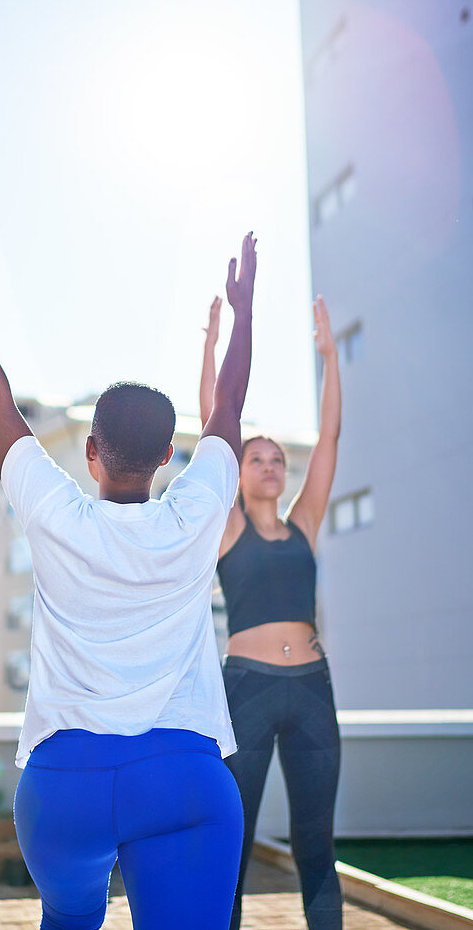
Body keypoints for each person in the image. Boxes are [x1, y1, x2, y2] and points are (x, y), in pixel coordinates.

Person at [0, 210, 256, 930]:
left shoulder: (57, 516)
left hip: (63, 787)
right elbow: (229, 407)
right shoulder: (193, 513)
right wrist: (244, 309)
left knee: (68, 921)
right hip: (184, 781)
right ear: (170, 457)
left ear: (91, 454)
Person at [200, 293, 343, 930]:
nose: (268, 464)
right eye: (255, 457)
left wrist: (331, 357)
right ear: (238, 473)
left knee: (316, 848)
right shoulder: (229, 528)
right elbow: (213, 423)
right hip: (247, 692)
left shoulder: (305, 523)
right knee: (232, 846)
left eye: (278, 458)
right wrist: (209, 346)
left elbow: (332, 433)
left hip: (312, 690)